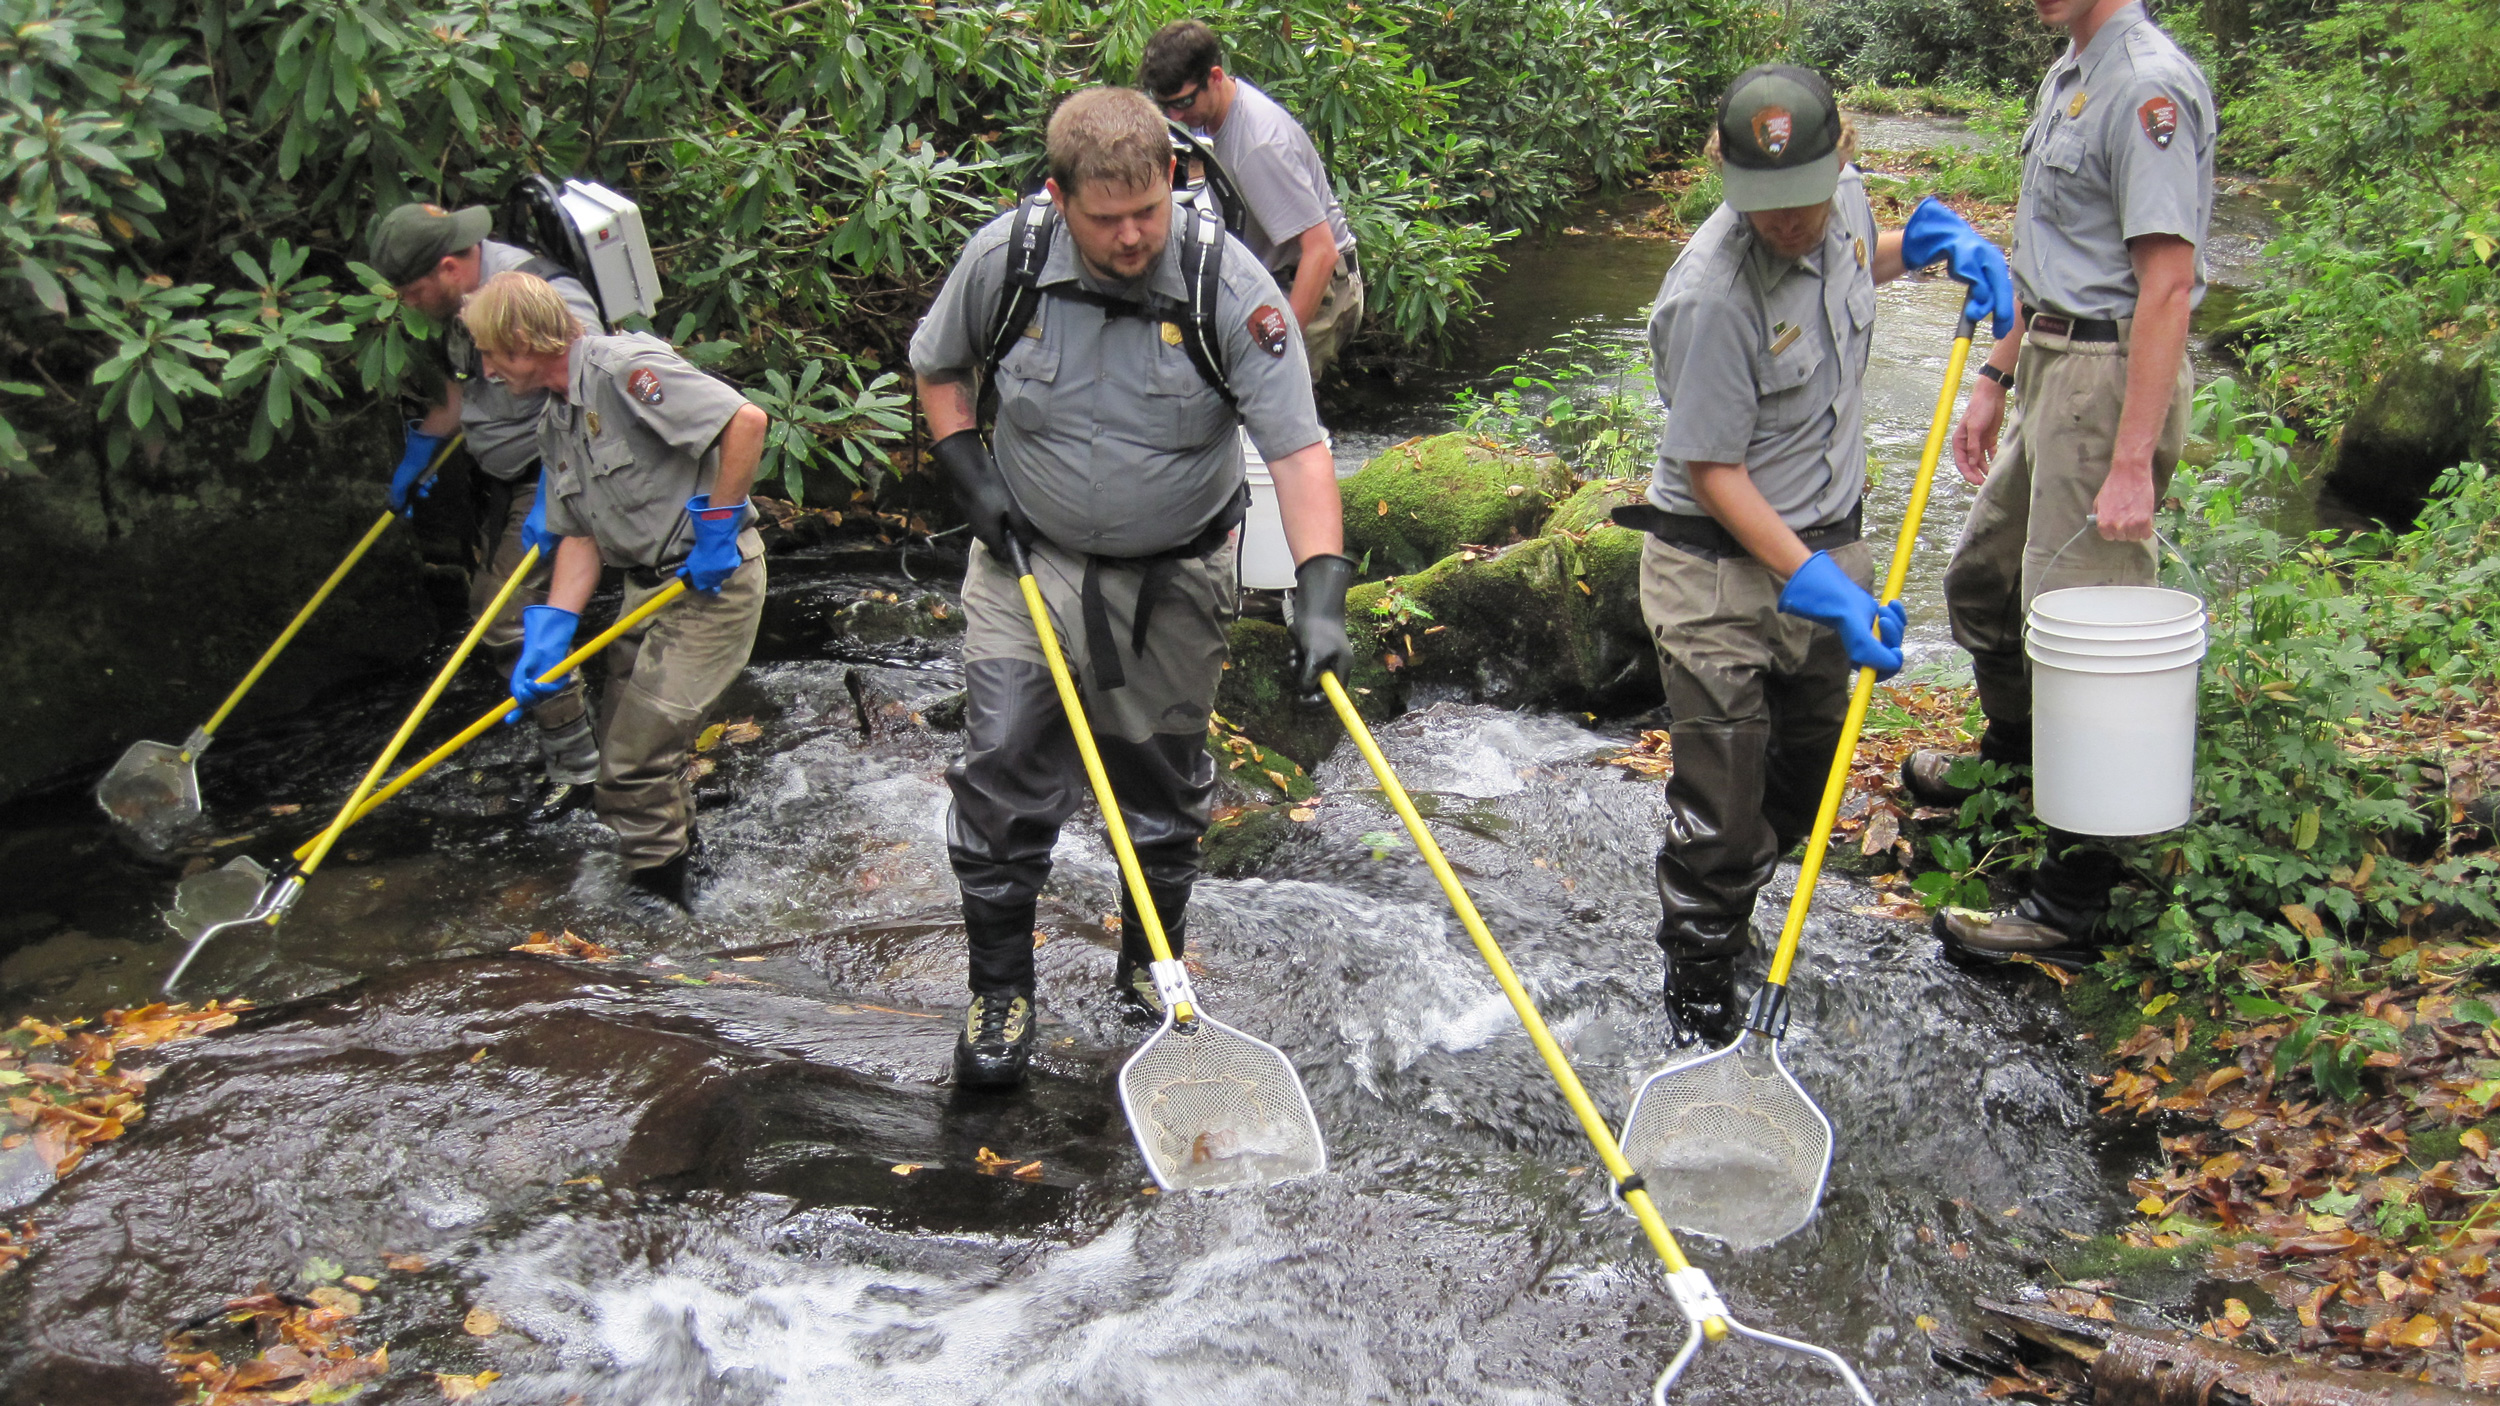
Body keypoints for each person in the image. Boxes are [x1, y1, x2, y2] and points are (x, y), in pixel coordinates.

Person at [909, 86, 1350, 1090]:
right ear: (1059, 196)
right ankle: (999, 989)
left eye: (1146, 210)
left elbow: (1298, 449)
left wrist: (1320, 586)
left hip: (1174, 574)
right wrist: (968, 470)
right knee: (1005, 767)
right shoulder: (1004, 262)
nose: (1128, 235)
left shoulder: (1226, 286)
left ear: (1173, 180)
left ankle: (1149, 969)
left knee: (1158, 788)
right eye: (1104, 218)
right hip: (1029, 561)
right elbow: (936, 367)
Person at [1622, 64, 2015, 1045]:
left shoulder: (1837, 196)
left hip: (1823, 539)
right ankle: (1697, 1006)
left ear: (1839, 155)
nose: (1784, 225)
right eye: (1762, 208)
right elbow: (1712, 472)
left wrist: (1915, 250)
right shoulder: (1707, 297)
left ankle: (1728, 900)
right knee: (1719, 804)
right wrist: (1822, 589)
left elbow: (1841, 263)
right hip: (1715, 568)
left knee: (1805, 773)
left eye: (1799, 201)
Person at [1910, 0, 2214, 968]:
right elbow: (2051, 254)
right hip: (2046, 362)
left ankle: (2073, 898)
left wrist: (2131, 462)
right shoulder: (2069, 70)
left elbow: (2163, 285)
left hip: (2107, 379)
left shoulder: (2147, 86)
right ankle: (2014, 764)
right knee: (1983, 583)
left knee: (2080, 631)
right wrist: (1997, 374)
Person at [456, 270, 770, 911]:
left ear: (521, 340)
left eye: (489, 352)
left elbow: (745, 420)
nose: (486, 370)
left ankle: (659, 917)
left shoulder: (626, 370)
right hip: (647, 589)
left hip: (711, 584)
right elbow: (580, 539)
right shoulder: (555, 420)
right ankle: (690, 880)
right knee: (629, 754)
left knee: (630, 767)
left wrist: (718, 524)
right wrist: (549, 636)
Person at [367, 203, 606, 819]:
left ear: (448, 267)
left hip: (552, 475)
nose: (408, 303)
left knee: (501, 617)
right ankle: (574, 738)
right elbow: (461, 391)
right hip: (498, 477)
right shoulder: (459, 306)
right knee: (505, 612)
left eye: (413, 290)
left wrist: (560, 495)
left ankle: (581, 770)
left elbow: (593, 394)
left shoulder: (543, 294)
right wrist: (423, 451)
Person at [1139, 20, 1364, 384]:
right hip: (1272, 278)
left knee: (1270, 391)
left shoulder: (1259, 145)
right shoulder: (1213, 116)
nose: (1176, 117)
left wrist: (1282, 346)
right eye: (1166, 106)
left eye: (1183, 102)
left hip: (1321, 285)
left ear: (1215, 76)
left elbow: (1320, 251)